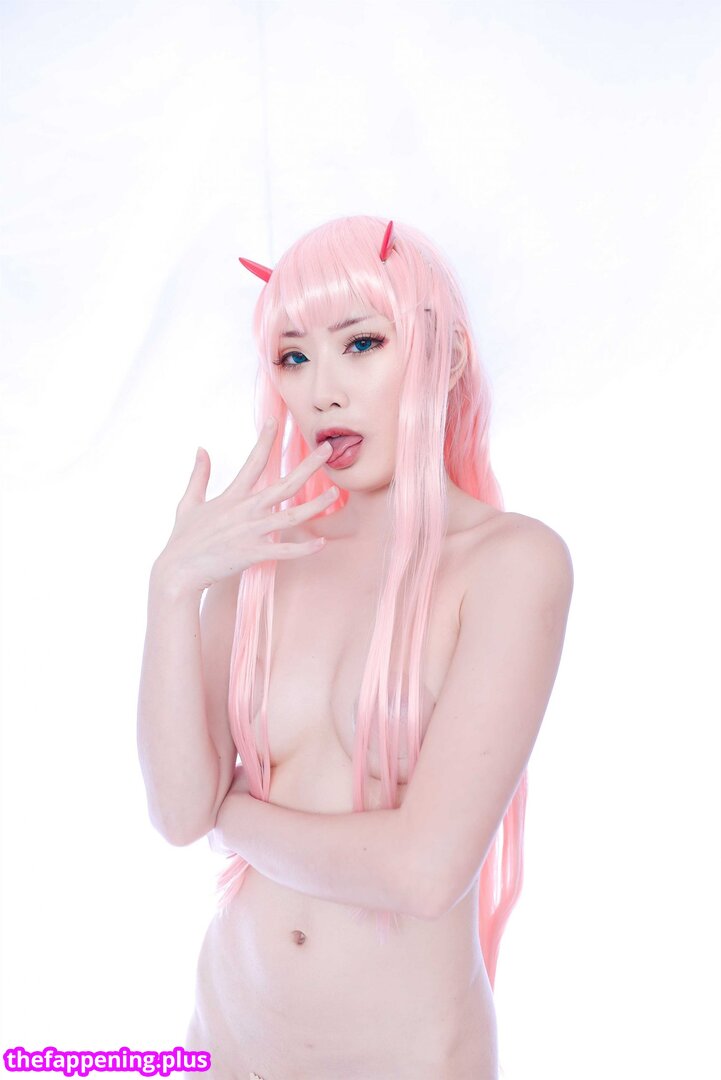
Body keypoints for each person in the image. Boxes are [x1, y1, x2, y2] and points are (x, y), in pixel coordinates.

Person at [137, 215, 574, 1079]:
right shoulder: (261, 560)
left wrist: (235, 819)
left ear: (446, 354)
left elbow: (423, 871)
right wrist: (172, 586)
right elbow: (180, 812)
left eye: (361, 343)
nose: (321, 392)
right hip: (221, 1044)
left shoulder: (512, 564)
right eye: (292, 357)